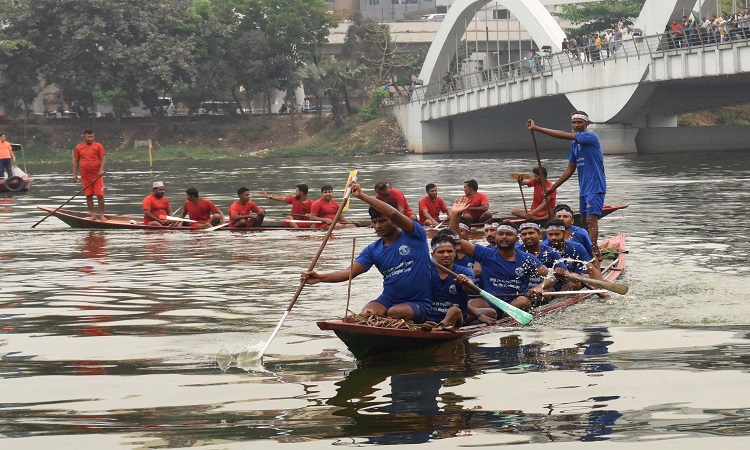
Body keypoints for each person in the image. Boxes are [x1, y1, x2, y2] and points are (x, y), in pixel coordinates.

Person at [301, 181, 433, 322]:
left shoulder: (415, 234)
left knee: (395, 312)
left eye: (382, 221)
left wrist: (362, 196)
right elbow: (348, 272)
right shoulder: (372, 250)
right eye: (375, 222)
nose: (378, 226)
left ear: (394, 221)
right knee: (367, 314)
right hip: (388, 298)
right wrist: (320, 277)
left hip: (418, 302)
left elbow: (394, 214)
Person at [449, 199, 553, 318]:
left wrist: (539, 287)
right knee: (472, 303)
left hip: (515, 302)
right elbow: (456, 240)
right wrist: (455, 215)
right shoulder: (485, 254)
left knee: (523, 301)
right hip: (490, 301)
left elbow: (551, 276)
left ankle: (503, 319)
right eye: (500, 234)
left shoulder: (526, 258)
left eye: (508, 234)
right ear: (496, 236)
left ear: (517, 239)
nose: (504, 237)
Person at [527, 111, 606, 263]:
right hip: (584, 188)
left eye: (579, 122)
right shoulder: (575, 145)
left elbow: (562, 135)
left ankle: (594, 250)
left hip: (595, 186)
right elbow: (570, 169)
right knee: (583, 220)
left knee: (591, 220)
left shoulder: (590, 137)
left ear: (586, 124)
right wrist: (552, 187)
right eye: (574, 123)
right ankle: (586, 246)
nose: (576, 125)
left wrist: (537, 129)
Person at [426, 235, 494, 330]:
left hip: (457, 317)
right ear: (433, 255)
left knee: (455, 311)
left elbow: (470, 287)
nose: (446, 255)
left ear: (455, 253)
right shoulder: (426, 271)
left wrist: (464, 282)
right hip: (430, 317)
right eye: (441, 252)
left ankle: (438, 328)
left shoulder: (465, 271)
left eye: (449, 251)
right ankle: (440, 327)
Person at [543, 218, 604, 292]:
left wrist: (600, 286)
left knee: (583, 278)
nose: (553, 238)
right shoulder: (543, 249)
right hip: (551, 282)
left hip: (572, 280)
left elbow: (590, 267)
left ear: (564, 233)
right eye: (550, 235)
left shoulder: (576, 247)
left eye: (557, 234)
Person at [516, 222, 567, 299]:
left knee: (548, 292)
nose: (527, 236)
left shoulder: (551, 252)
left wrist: (560, 272)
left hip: (542, 289)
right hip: (521, 289)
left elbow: (565, 275)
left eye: (531, 233)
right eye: (524, 234)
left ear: (540, 235)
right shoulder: (515, 252)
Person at [72, 130, 107, 221]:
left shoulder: (98, 146)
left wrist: (101, 170)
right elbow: (76, 161)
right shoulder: (79, 147)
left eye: (92, 137)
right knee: (88, 195)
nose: (91, 138)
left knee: (100, 195)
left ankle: (102, 215)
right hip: (85, 177)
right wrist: (74, 174)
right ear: (84, 137)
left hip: (97, 176)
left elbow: (103, 158)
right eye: (89, 137)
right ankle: (92, 215)